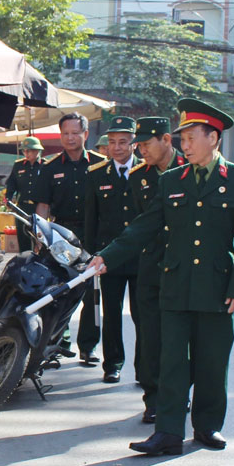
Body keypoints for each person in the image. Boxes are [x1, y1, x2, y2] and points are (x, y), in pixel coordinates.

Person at [89, 98, 234, 455]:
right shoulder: (171, 181)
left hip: (217, 287)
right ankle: (167, 433)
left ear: (213, 137)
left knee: (212, 362)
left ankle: (207, 427)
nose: (185, 145)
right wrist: (108, 255)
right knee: (171, 363)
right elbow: (145, 226)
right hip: (176, 284)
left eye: (192, 137)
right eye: (181, 138)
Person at [126, 116, 186, 423]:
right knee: (150, 336)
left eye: (146, 144)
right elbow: (141, 224)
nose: (141, 150)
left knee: (178, 338)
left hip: (182, 266)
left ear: (166, 139)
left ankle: (178, 394)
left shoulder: (190, 170)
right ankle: (152, 398)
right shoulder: (139, 177)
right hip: (150, 267)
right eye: (138, 144)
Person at [34, 112, 106, 364]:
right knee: (57, 291)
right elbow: (42, 206)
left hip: (92, 235)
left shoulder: (100, 164)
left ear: (86, 134)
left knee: (91, 293)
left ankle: (88, 347)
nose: (70, 137)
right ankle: (54, 343)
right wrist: (39, 239)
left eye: (75, 133)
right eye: (65, 133)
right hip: (61, 236)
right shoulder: (50, 167)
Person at [84, 116, 142, 383]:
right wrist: (92, 254)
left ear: (134, 144)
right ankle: (113, 364)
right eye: (112, 143)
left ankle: (144, 368)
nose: (117, 148)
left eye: (123, 142)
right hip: (110, 258)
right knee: (111, 314)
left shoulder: (146, 172)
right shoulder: (96, 175)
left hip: (142, 258)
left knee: (144, 316)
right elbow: (91, 220)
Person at [4, 136, 45, 252]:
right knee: (23, 237)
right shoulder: (18, 165)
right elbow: (11, 184)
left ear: (37, 150)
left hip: (39, 208)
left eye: (29, 150)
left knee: (39, 238)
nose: (26, 153)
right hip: (22, 207)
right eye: (24, 151)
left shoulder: (46, 166)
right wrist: (8, 198)